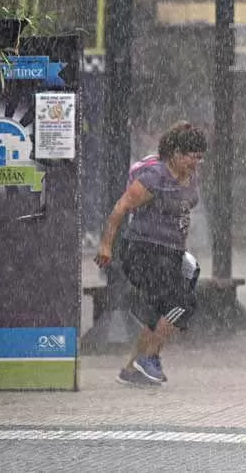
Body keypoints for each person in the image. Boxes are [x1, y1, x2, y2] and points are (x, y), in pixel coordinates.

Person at [95, 121, 208, 387]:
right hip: (143, 250)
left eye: (200, 157)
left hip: (171, 252)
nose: (197, 162)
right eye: (193, 157)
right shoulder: (155, 177)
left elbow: (183, 211)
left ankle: (131, 369)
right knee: (182, 304)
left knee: (158, 310)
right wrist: (106, 246)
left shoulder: (191, 177)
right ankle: (149, 359)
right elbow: (120, 208)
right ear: (176, 153)